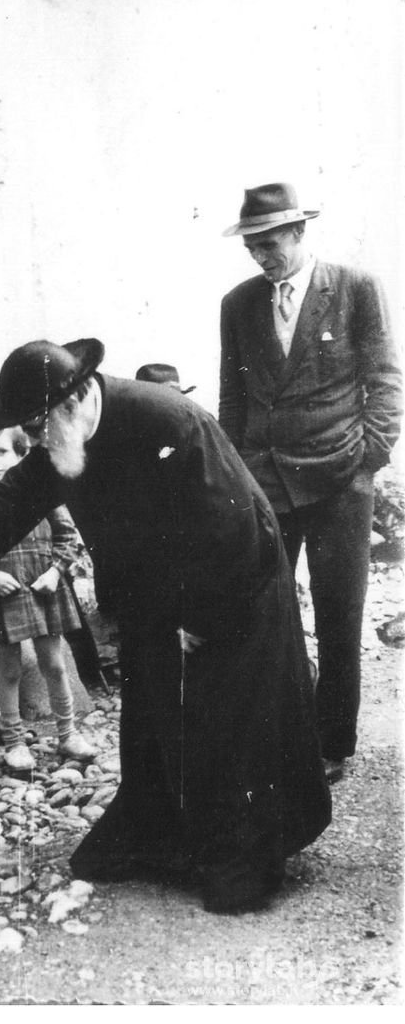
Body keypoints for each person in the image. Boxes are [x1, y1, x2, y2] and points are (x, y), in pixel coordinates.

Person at [0, 338, 332, 915]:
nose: (29, 442)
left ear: (76, 398)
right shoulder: (64, 434)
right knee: (156, 713)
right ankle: (155, 838)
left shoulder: (170, 418)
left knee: (229, 723)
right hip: (157, 592)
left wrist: (200, 618)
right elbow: (12, 497)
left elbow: (230, 525)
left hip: (234, 584)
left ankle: (246, 860)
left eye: (35, 427)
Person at [219, 182, 403, 785]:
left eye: (269, 244)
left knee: (338, 613)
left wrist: (365, 461)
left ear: (299, 233)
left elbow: (386, 381)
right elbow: (232, 399)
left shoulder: (354, 288)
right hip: (267, 481)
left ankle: (332, 743)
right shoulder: (239, 304)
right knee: (267, 613)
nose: (260, 257)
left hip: (338, 479)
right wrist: (238, 476)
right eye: (252, 247)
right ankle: (284, 733)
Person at [0, 424, 96, 772]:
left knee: (53, 664)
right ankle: (14, 741)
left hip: (43, 588)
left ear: (22, 455)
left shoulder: (41, 492)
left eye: (2, 452)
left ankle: (68, 733)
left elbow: (68, 537)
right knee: (9, 670)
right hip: (3, 592)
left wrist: (55, 573)